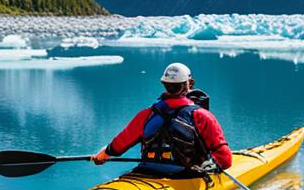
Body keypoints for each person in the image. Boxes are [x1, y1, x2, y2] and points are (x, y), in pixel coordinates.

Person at [93, 62, 232, 175]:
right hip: (185, 175)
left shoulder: (146, 114)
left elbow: (119, 144)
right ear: (190, 82)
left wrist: (104, 154)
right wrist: (213, 167)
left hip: (146, 171)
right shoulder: (202, 116)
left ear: (164, 84)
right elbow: (225, 159)